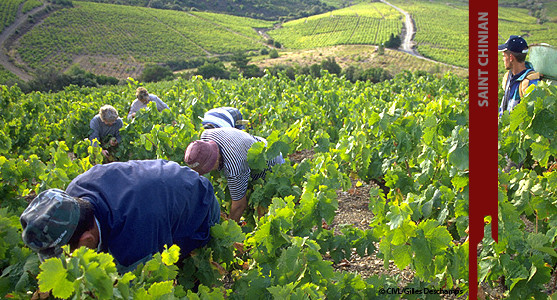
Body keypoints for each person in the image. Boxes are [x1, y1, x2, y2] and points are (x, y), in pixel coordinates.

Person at [20, 159, 220, 273]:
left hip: (200, 203)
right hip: (163, 191)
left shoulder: (135, 235)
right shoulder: (76, 190)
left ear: (87, 239)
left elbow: (145, 278)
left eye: (69, 256)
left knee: (177, 265)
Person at [184, 128, 284, 222]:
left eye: (205, 169)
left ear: (214, 161)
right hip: (256, 144)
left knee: (264, 214)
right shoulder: (206, 137)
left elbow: (239, 205)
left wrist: (229, 230)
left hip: (271, 165)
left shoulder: (234, 166)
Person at [498, 35, 540, 117]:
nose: (503, 59)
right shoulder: (509, 77)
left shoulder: (530, 84)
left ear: (511, 58)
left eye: (504, 56)